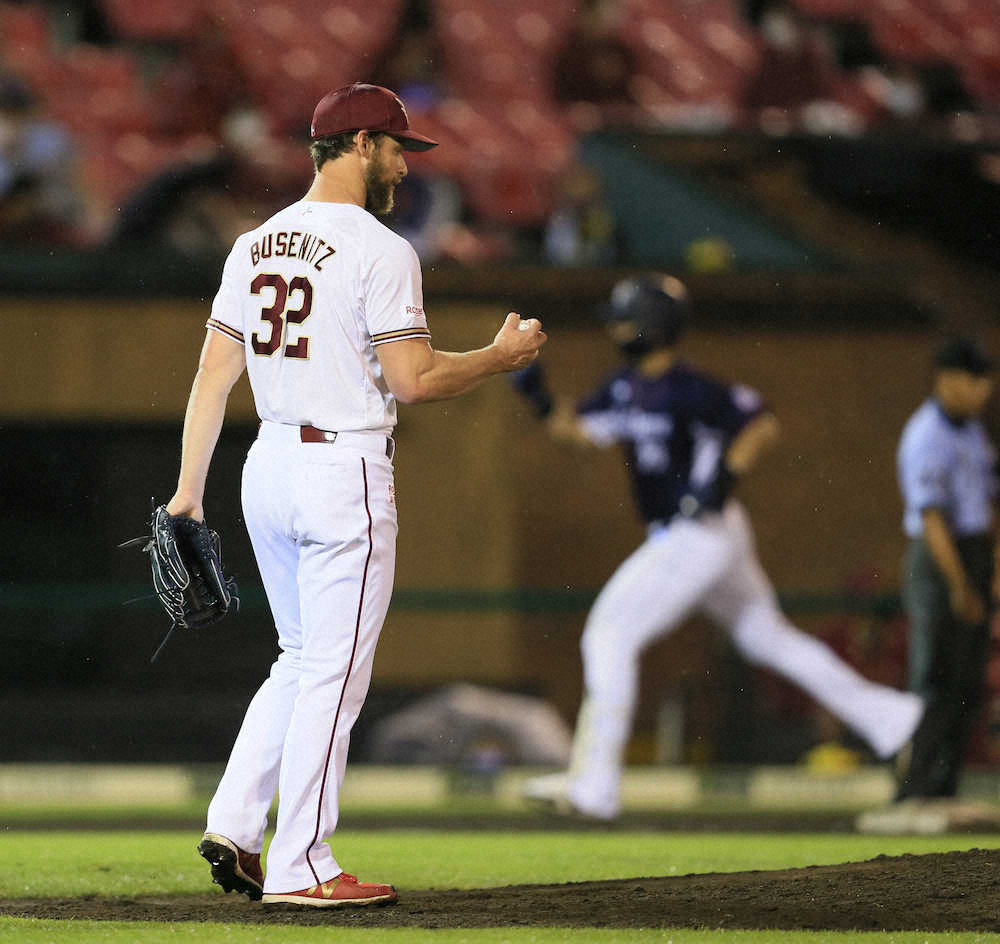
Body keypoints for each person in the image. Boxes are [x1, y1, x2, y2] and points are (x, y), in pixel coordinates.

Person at [163, 81, 545, 906]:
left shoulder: (254, 243)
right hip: (341, 468)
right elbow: (414, 380)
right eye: (399, 147)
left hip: (264, 466)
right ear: (362, 145)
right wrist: (498, 358)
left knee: (298, 660)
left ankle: (234, 822)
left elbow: (211, 376)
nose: (406, 166)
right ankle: (302, 866)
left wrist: (187, 493)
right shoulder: (380, 247)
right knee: (335, 673)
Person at [519, 275, 924, 820]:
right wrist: (540, 398)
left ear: (654, 323)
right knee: (768, 639)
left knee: (611, 634)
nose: (617, 328)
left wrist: (723, 479)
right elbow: (579, 431)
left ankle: (596, 785)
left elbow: (760, 422)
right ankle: (895, 718)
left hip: (700, 533)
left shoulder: (692, 387)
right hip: (695, 535)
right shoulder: (624, 386)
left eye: (627, 317)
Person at [895, 337, 997, 804]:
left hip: (972, 554)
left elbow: (988, 504)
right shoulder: (927, 433)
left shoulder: (972, 431)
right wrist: (959, 584)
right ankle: (911, 788)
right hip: (940, 560)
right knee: (933, 678)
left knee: (966, 681)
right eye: (976, 380)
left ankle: (944, 787)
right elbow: (933, 519)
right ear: (949, 379)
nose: (984, 391)